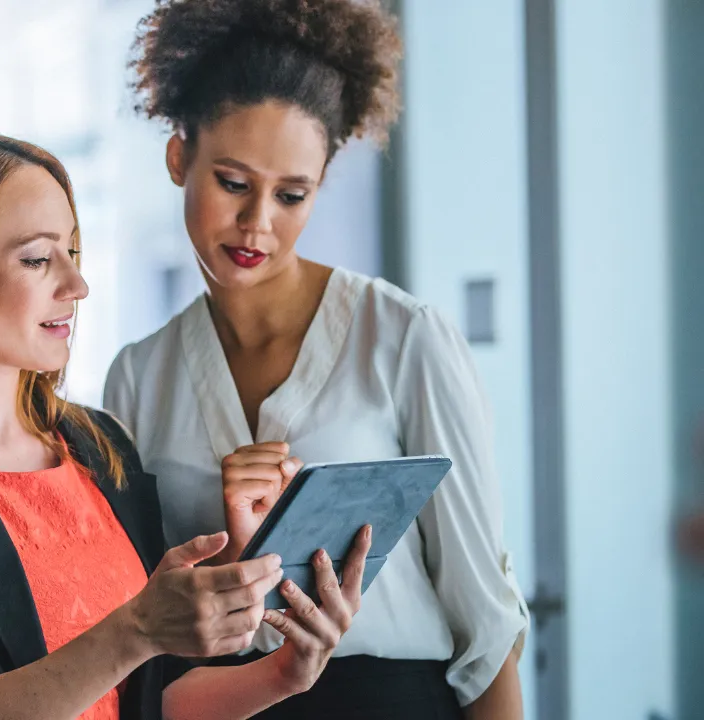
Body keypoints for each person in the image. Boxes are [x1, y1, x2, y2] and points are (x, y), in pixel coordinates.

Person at [0, 129, 372, 720]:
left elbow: (153, 701)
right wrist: (137, 630)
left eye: (72, 253)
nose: (77, 286)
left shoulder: (99, 447)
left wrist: (283, 673)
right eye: (38, 258)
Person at [102, 0, 530, 718]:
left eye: (291, 194)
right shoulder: (139, 377)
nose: (257, 223)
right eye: (233, 183)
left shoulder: (405, 338)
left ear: (321, 184)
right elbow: (138, 623)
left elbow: (484, 616)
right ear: (180, 157)